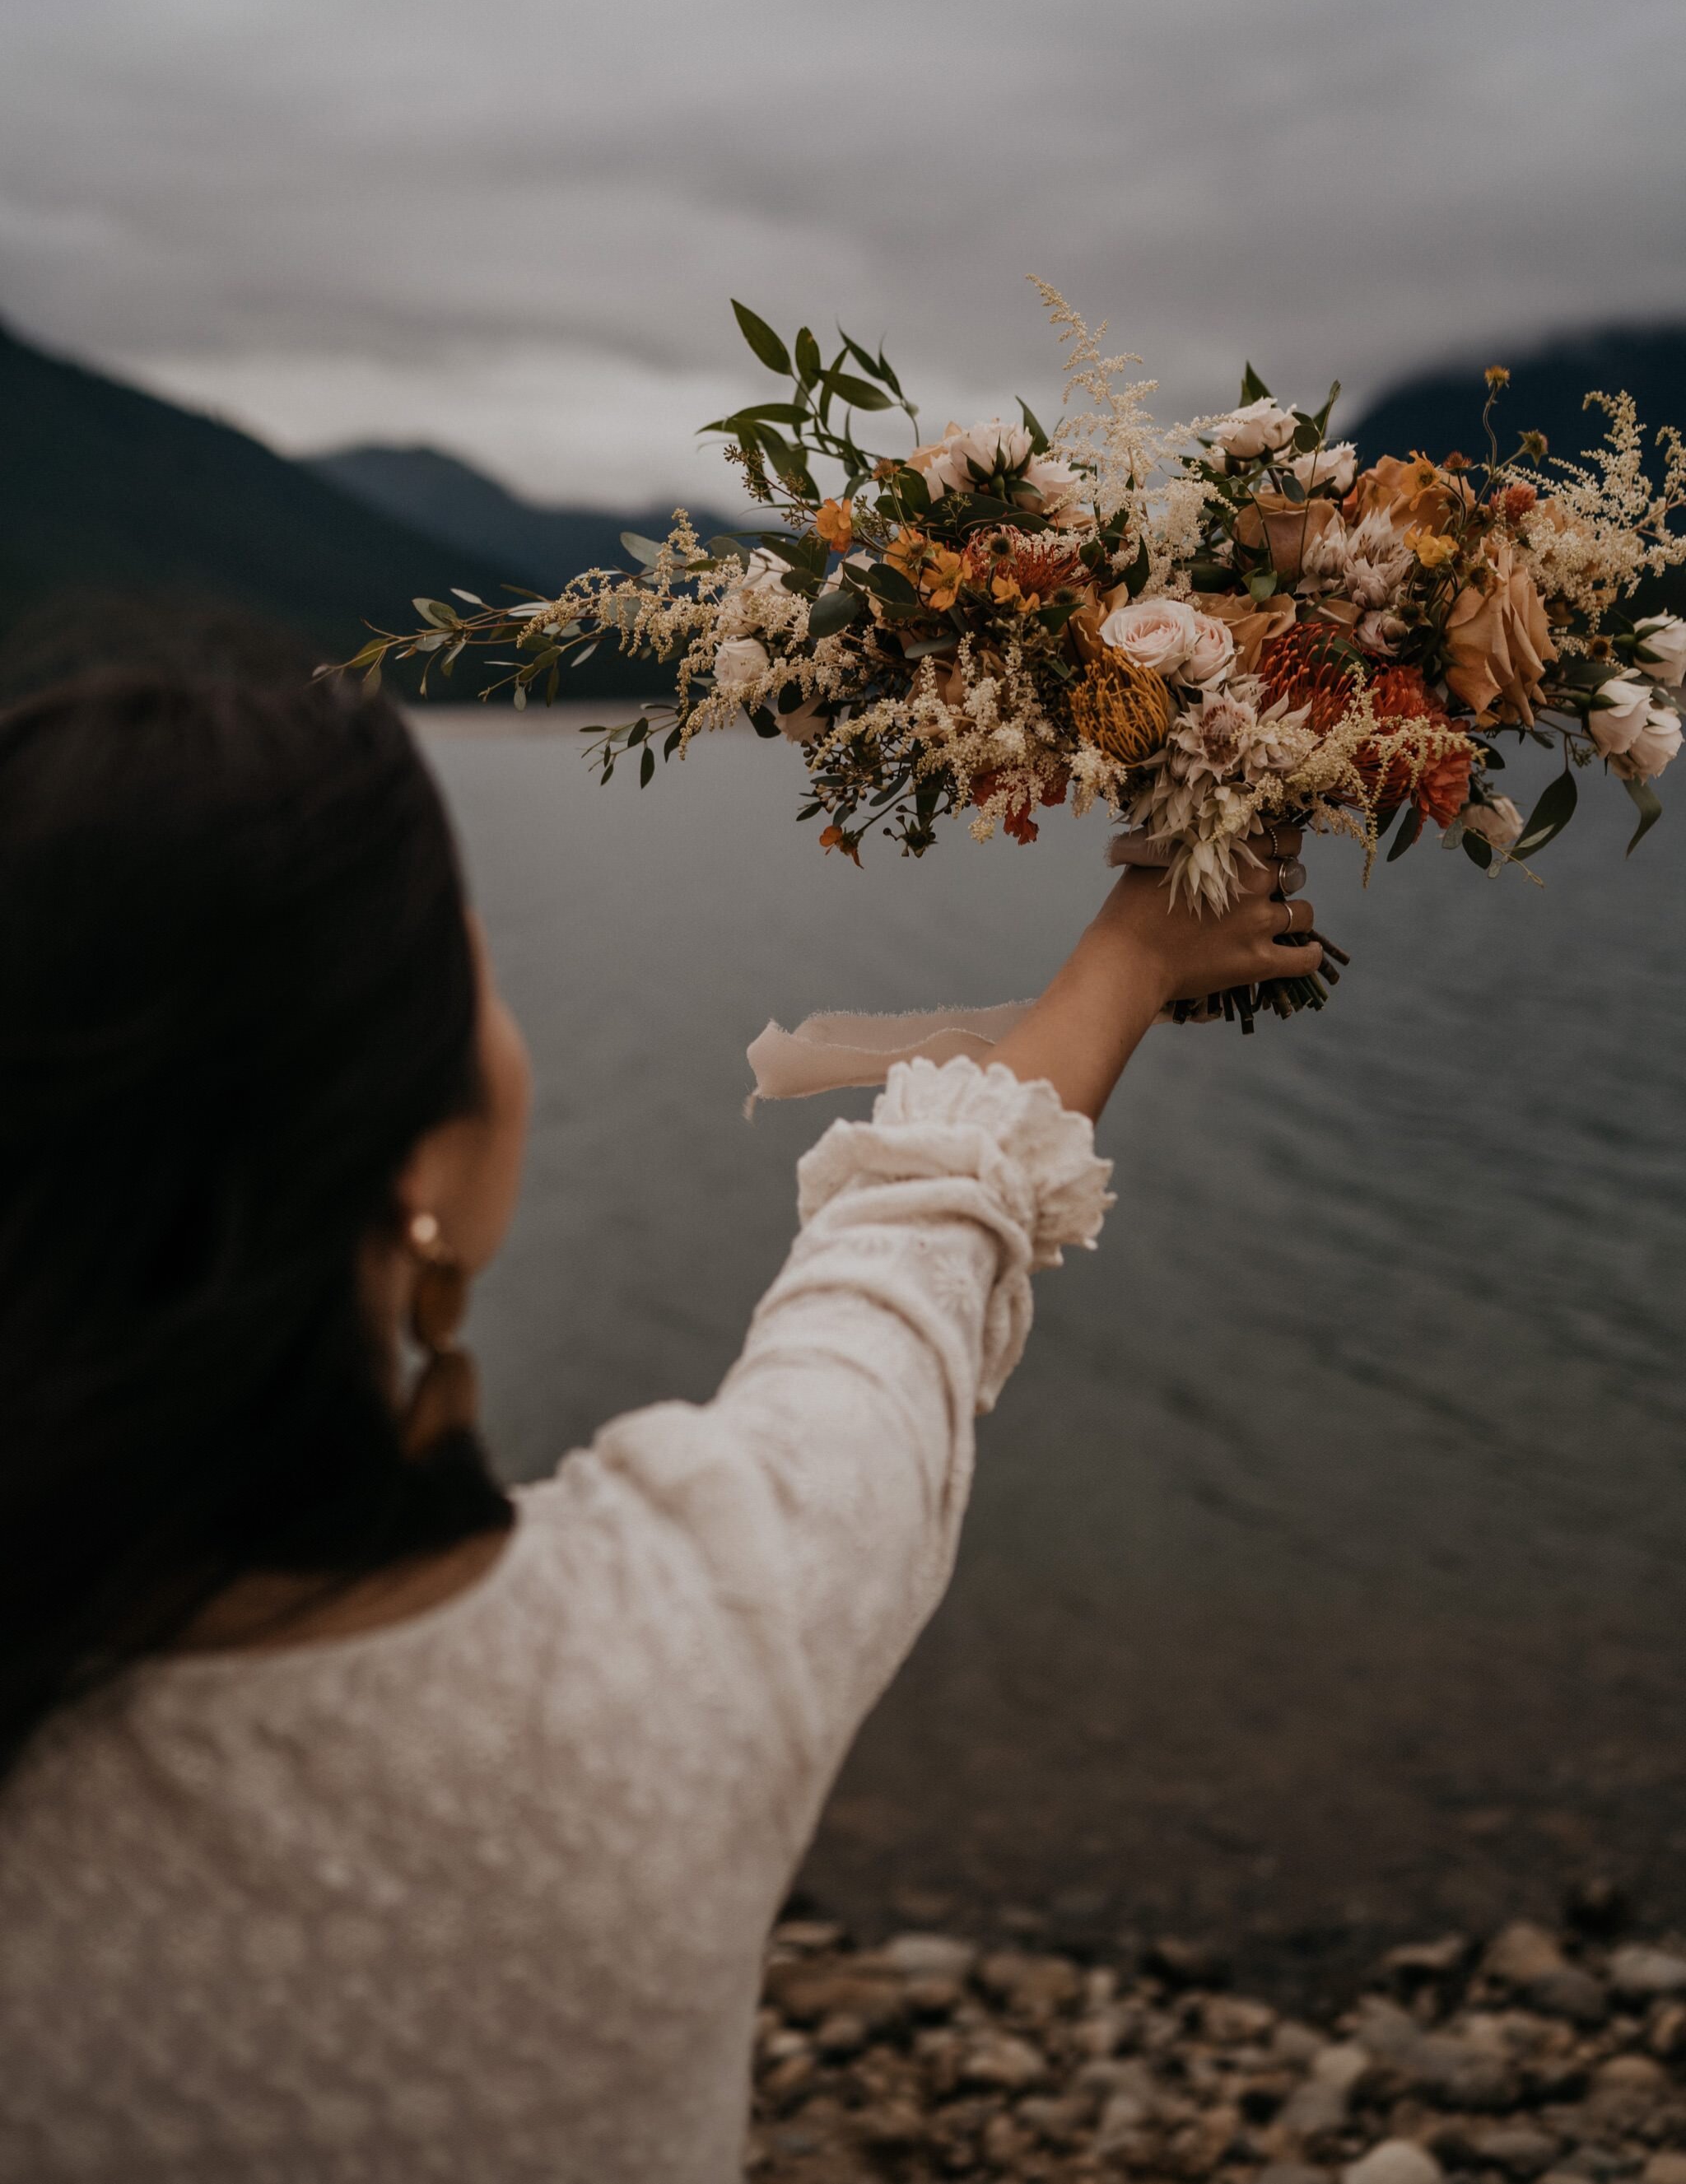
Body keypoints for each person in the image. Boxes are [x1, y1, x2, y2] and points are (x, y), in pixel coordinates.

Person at [0, 658, 1322, 2184]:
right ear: (432, 1160)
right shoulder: (692, 1648)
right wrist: (1133, 955)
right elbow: (908, 1259)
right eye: (474, 975)